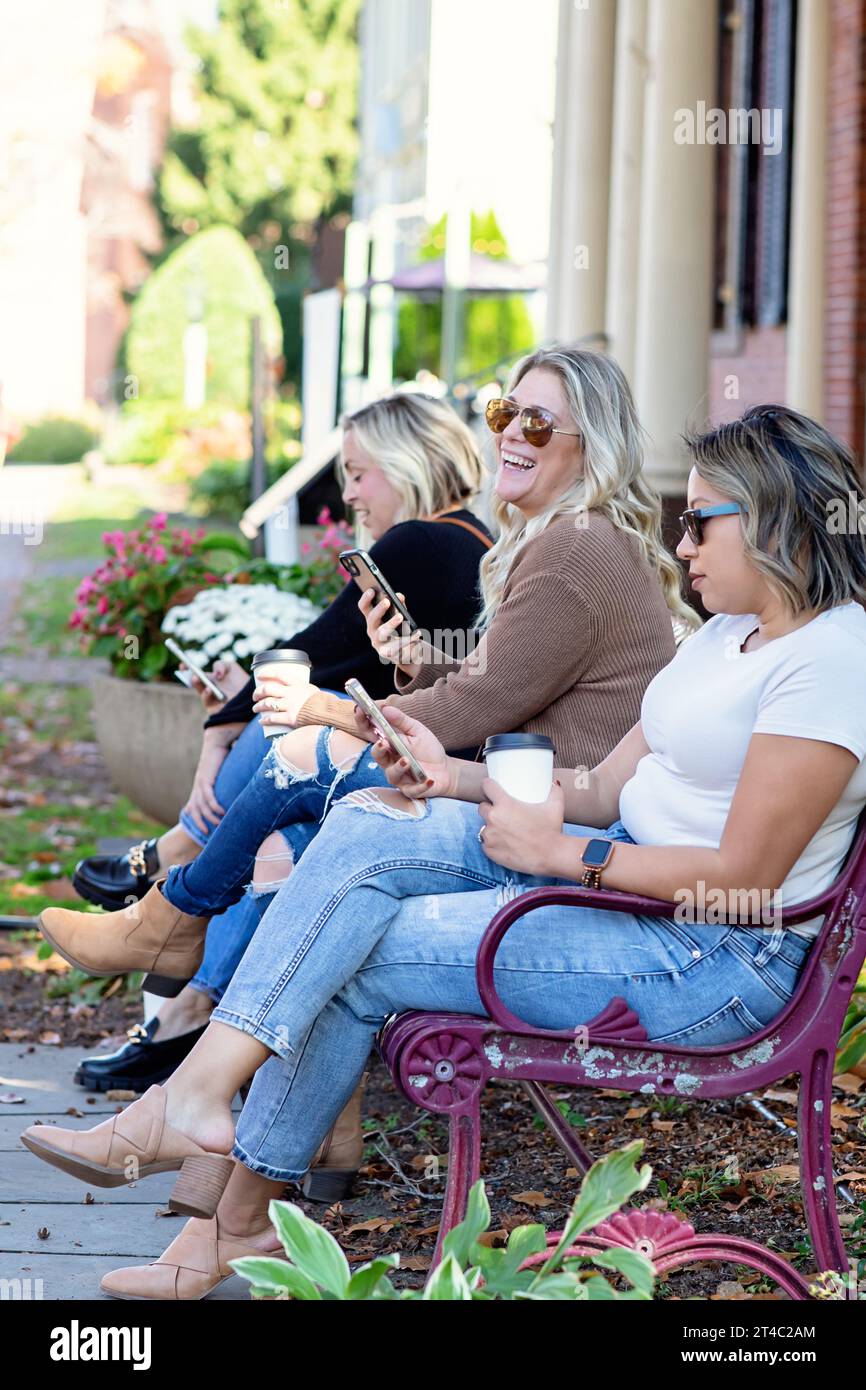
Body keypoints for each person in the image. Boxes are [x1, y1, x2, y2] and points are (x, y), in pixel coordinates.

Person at [24, 403, 866, 1300]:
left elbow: (744, 880)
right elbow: (599, 789)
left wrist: (568, 857)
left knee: (362, 949)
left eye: (699, 522)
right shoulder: (724, 637)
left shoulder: (830, 661)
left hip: (708, 953)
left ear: (774, 520)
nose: (682, 541)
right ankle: (197, 1117)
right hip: (620, 875)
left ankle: (218, 1209)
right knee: (372, 819)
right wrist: (448, 775)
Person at [44, 345, 690, 1192]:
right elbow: (487, 694)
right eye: (504, 412)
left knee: (304, 760)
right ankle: (244, 1169)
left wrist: (318, 709)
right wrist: (414, 667)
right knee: (307, 839)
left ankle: (172, 930)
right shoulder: (558, 539)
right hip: (523, 797)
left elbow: (478, 710)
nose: (512, 435)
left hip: (556, 825)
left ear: (593, 445)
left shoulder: (576, 549)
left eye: (539, 422)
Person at [70, 391, 492, 1098]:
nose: (350, 492)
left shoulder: (423, 541)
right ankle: (189, 998)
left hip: (441, 779)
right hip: (438, 764)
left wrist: (215, 735)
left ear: (408, 461)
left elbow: (314, 651)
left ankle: (172, 883)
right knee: (278, 812)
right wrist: (238, 703)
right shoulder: (465, 539)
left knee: (285, 749)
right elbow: (345, 658)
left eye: (360, 472)